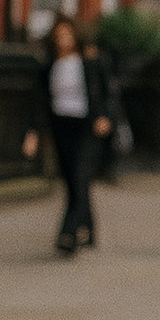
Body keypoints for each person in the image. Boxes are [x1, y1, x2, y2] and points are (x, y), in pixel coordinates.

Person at [23, 15, 112, 255]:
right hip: (61, 126)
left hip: (86, 126)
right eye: (58, 36)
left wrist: (103, 116)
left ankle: (69, 233)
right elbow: (40, 101)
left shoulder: (89, 60)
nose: (62, 39)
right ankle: (89, 227)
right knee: (72, 179)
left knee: (81, 177)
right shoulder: (49, 66)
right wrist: (33, 132)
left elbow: (104, 91)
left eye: (66, 34)